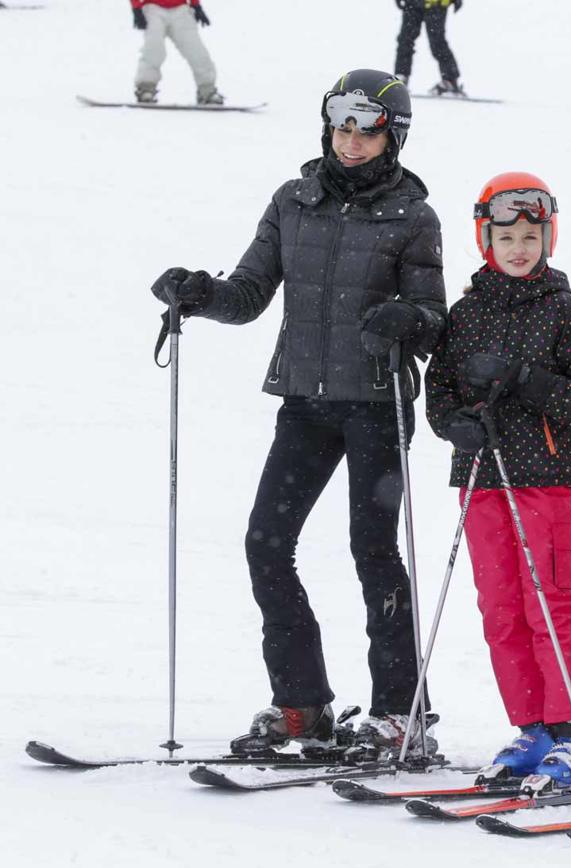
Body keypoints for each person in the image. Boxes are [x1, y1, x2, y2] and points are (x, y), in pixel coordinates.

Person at [150, 70, 447, 758]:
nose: (351, 139)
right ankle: (302, 704)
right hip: (305, 404)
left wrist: (407, 319)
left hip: (376, 406)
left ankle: (400, 714)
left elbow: (434, 321)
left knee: (373, 551)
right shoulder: (293, 201)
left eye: (366, 128)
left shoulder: (414, 216)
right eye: (341, 124)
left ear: (393, 136)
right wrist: (199, 293)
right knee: (266, 543)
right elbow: (248, 294)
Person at [425, 173, 571, 786]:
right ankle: (533, 726)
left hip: (542, 478)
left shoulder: (564, 311)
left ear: (548, 239)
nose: (519, 249)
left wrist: (526, 379)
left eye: (531, 237)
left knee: (549, 602)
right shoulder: (465, 313)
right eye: (506, 238)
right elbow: (439, 387)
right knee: (500, 605)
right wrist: (454, 425)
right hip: (481, 476)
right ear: (486, 241)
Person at [129, 0, 223, 105]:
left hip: (180, 10)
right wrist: (136, 8)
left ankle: (207, 90)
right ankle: (146, 88)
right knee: (154, 49)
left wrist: (196, 5)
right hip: (153, 8)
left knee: (196, 50)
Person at [394, 0, 465, 98]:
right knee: (405, 40)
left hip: (436, 4)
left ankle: (450, 80)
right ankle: (401, 76)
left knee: (437, 43)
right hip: (414, 4)